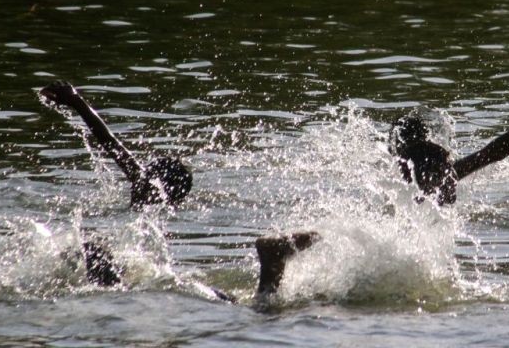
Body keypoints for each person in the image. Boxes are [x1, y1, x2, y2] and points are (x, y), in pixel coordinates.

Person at [39, 81, 316, 301]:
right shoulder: (154, 202)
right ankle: (271, 266)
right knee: (249, 306)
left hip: (175, 289)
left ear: (157, 187)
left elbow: (109, 143)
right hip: (177, 286)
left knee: (255, 309)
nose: (137, 176)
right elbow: (109, 142)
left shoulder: (149, 201)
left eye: (145, 175)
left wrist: (77, 102)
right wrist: (76, 102)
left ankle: (271, 263)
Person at [39, 81, 192, 209]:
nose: (141, 172)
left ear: (157, 181)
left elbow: (109, 141)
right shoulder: (170, 206)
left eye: (147, 170)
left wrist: (76, 100)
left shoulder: (148, 187)